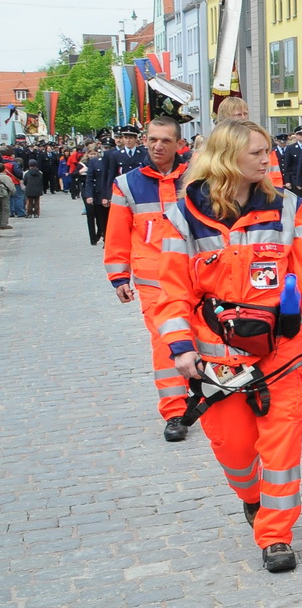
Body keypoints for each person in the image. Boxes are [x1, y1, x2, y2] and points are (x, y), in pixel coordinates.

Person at [157, 119, 302, 573]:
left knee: (281, 447)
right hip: (217, 359)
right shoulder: (183, 216)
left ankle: (276, 534)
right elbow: (172, 292)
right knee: (235, 448)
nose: (268, 159)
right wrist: (181, 347)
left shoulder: (288, 208)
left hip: (281, 351)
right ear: (228, 158)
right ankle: (251, 497)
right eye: (258, 153)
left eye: (268, 152)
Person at [104, 116, 194, 440]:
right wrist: (118, 276)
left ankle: (207, 393)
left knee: (204, 336)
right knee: (165, 343)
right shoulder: (127, 184)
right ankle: (175, 411)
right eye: (153, 139)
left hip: (196, 276)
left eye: (165, 141)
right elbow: (115, 234)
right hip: (153, 280)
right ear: (145, 140)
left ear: (178, 145)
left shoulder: (197, 177)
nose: (158, 146)